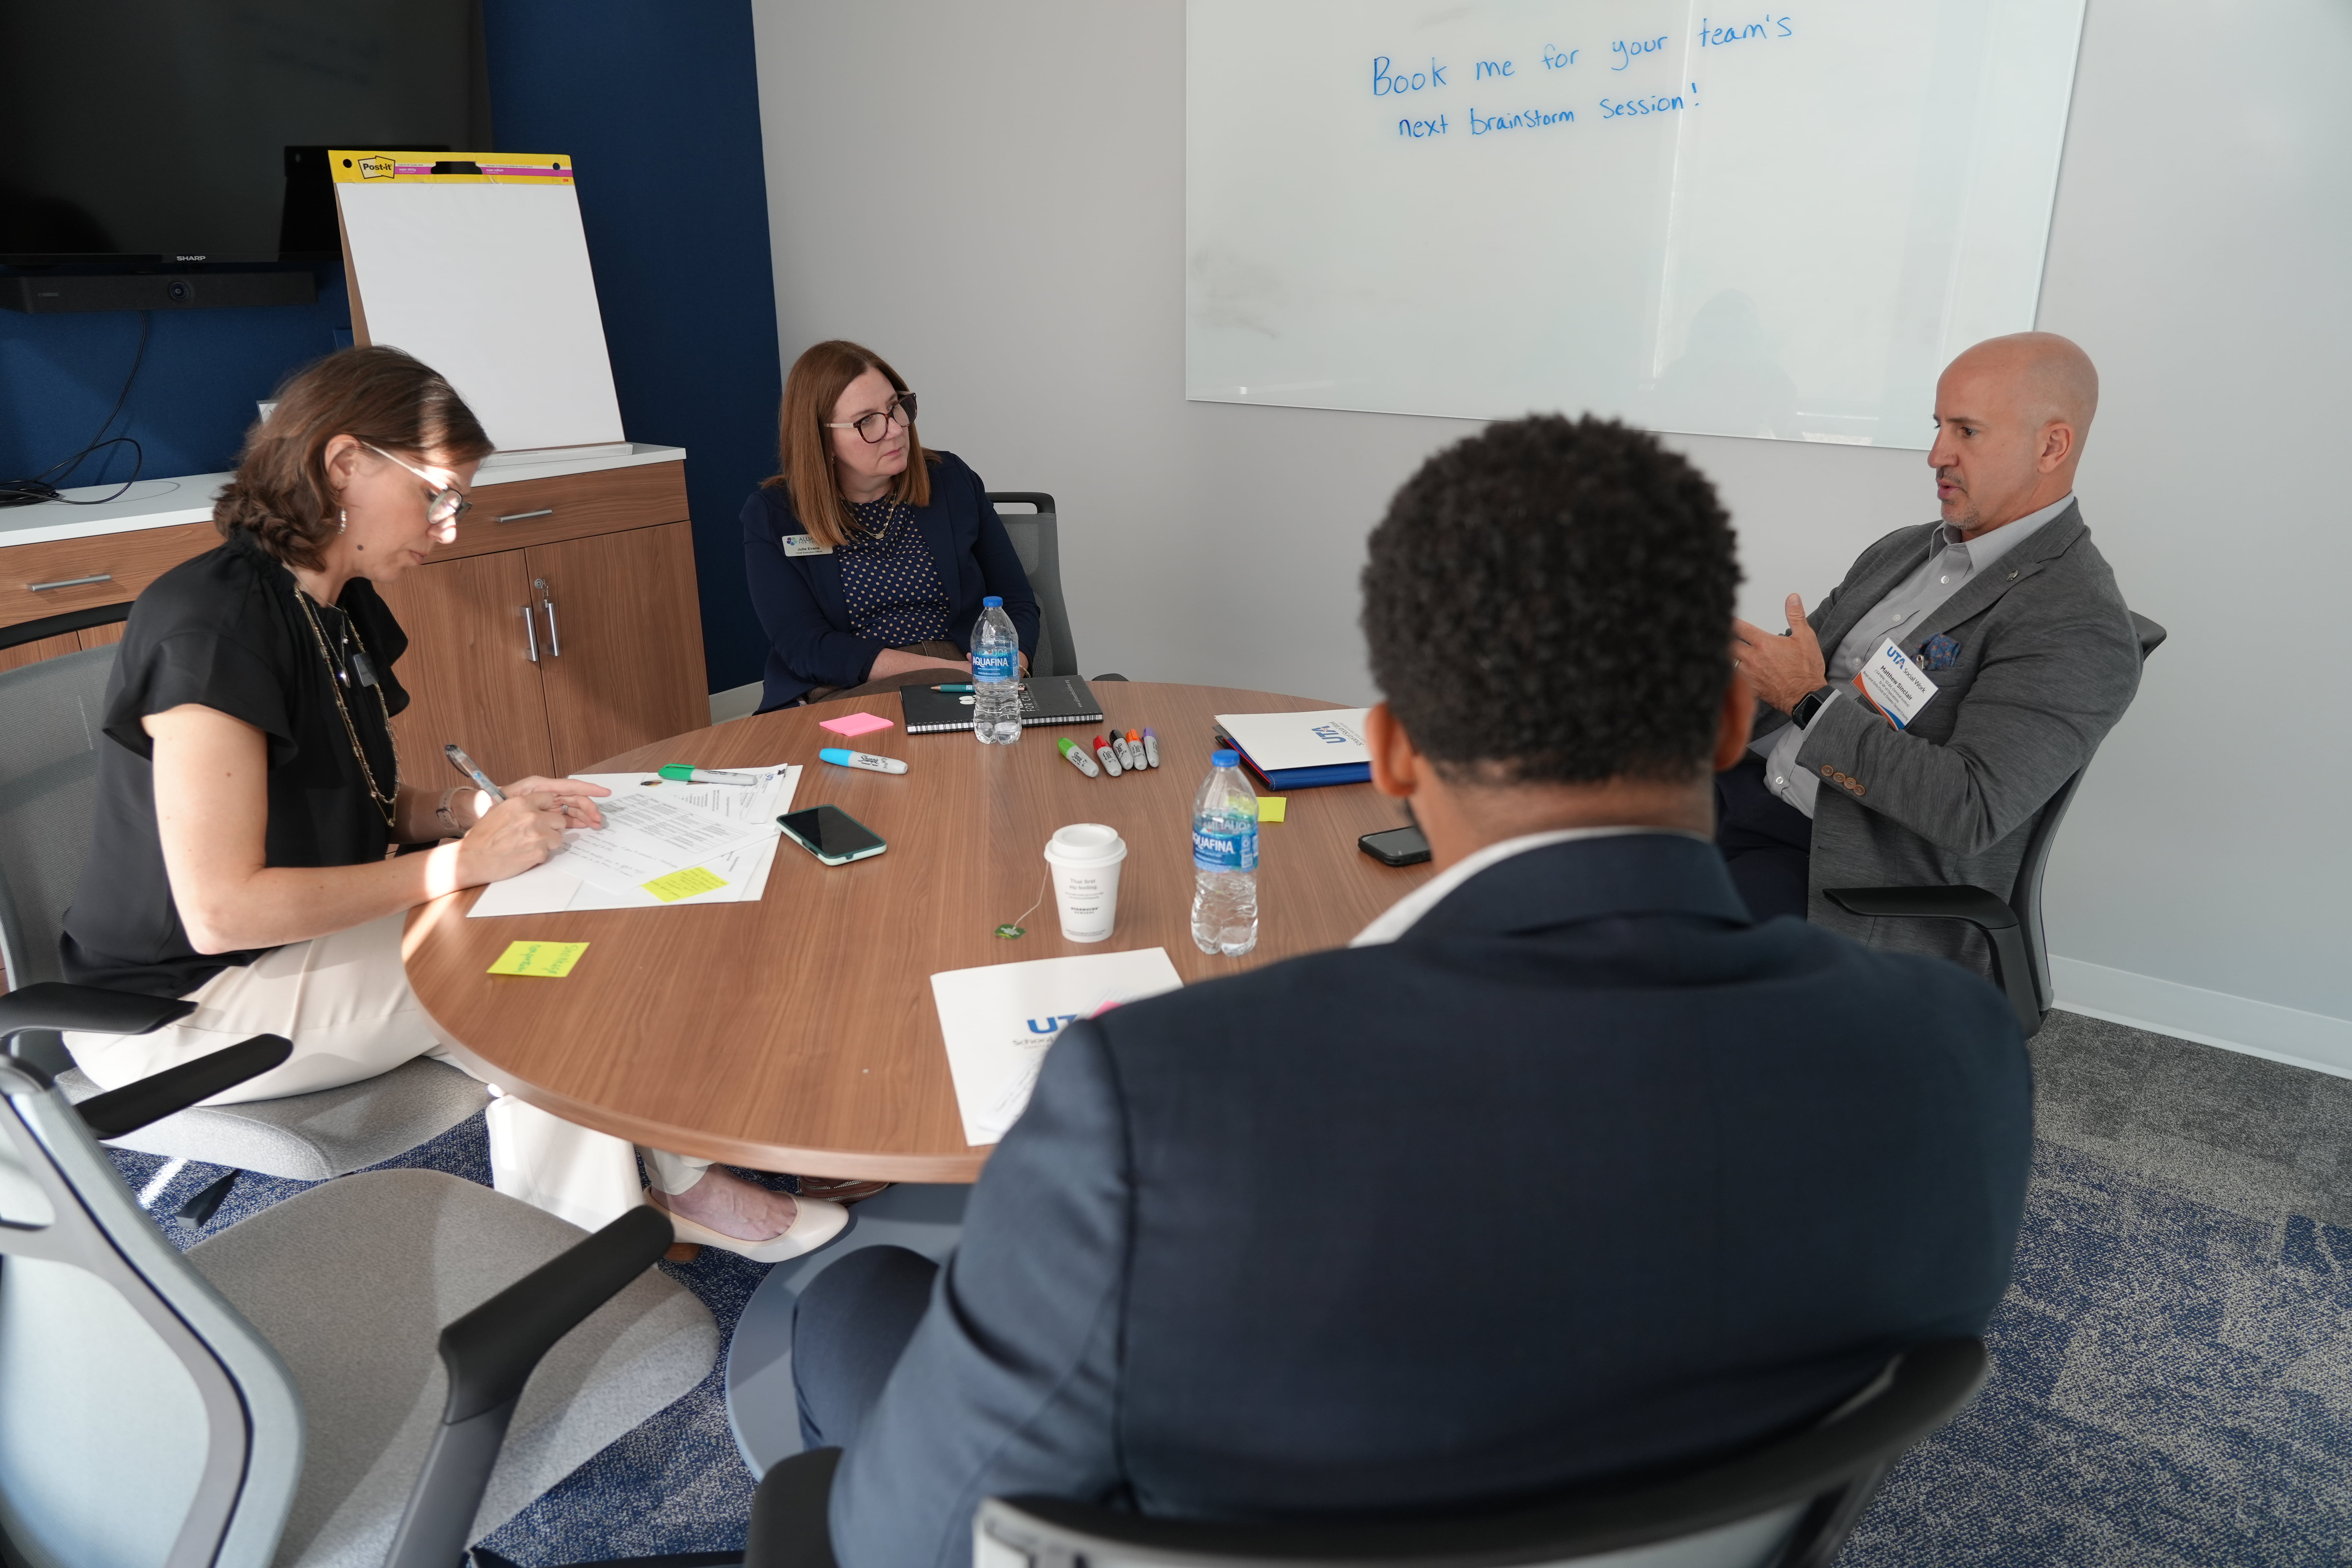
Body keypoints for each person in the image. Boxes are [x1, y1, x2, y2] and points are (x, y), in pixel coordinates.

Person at [784, 414, 2036, 1567]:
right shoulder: (1958, 1054)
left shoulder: (1155, 1102)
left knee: (847, 1302)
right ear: (1724, 723)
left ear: (1387, 752)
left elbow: (901, 1540)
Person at [58, 345, 844, 1261]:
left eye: (456, 504)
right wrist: (459, 865)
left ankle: (660, 1190)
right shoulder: (211, 626)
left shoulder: (336, 606)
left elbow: (352, 796)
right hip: (180, 1009)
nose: (447, 530)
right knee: (526, 970)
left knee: (553, 916)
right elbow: (222, 911)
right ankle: (588, 1253)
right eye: (436, 496)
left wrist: (470, 810)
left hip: (295, 949)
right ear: (343, 463)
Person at [1719, 332, 2142, 974]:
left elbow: (1968, 809)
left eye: (1966, 431)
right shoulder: (1903, 551)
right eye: (1938, 426)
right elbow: (1787, 672)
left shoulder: (2076, 622)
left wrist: (1806, 700)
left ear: (2050, 446)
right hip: (1750, 793)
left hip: (1836, 868)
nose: (1936, 454)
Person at [742, 339, 1040, 712]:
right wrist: (952, 672)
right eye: (867, 421)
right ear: (822, 439)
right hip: (852, 687)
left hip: (973, 677)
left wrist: (1011, 670)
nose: (896, 429)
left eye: (895, 407)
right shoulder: (775, 514)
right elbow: (806, 645)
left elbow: (1015, 599)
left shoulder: (951, 480)